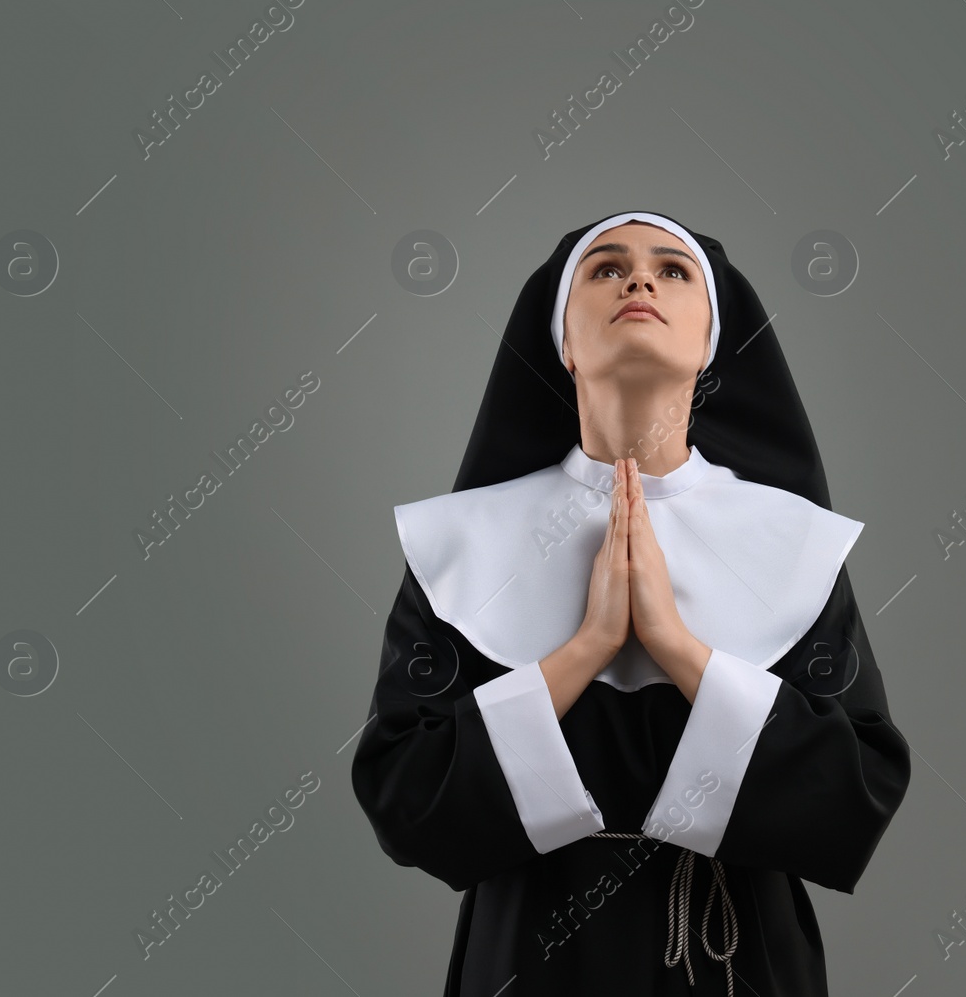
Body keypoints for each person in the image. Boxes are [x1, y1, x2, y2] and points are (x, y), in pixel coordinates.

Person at [352, 210, 911, 996]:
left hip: (736, 961)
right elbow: (402, 795)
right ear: (564, 343)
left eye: (673, 270)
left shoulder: (788, 545)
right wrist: (585, 648)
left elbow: (858, 795)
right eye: (606, 269)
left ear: (711, 342)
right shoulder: (467, 545)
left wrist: (679, 647)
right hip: (525, 963)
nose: (640, 280)